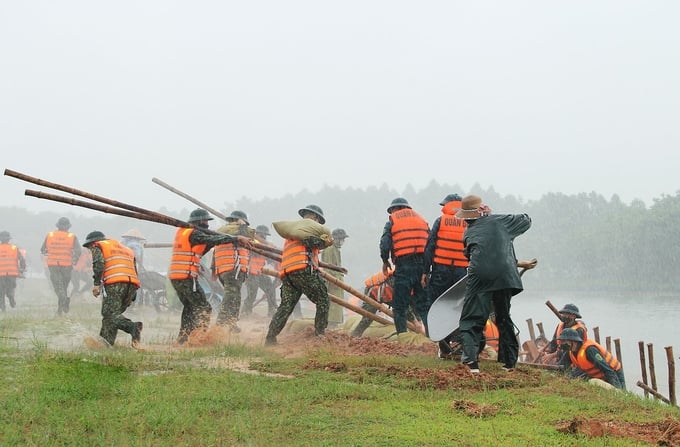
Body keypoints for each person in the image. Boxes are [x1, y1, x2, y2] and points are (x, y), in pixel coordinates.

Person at [456, 195, 534, 373]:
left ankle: (471, 362)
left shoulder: (468, 233)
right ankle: (509, 363)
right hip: (506, 276)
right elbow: (526, 220)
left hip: (480, 278)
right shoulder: (500, 221)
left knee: (471, 319)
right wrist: (491, 214)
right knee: (503, 317)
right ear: (482, 210)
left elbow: (469, 256)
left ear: (466, 217)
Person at [169, 208, 252, 345]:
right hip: (186, 277)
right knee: (204, 308)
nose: (207, 224)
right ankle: (198, 338)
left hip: (177, 276)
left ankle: (183, 339)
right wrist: (236, 238)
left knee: (190, 307)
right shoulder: (195, 233)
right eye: (206, 221)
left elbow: (205, 246)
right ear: (200, 221)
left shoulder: (184, 232)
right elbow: (213, 239)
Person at [265, 205, 333, 346]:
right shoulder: (308, 229)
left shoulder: (293, 231)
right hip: (303, 271)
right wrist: (324, 243)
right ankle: (320, 336)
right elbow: (311, 242)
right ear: (315, 217)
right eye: (319, 221)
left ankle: (270, 339)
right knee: (323, 300)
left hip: (288, 274)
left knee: (285, 307)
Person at [421, 193, 468, 358]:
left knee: (437, 306)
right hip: (462, 273)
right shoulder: (468, 223)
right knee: (459, 309)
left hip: (441, 270)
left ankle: (444, 347)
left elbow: (429, 248)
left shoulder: (440, 221)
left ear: (447, 205)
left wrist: (425, 272)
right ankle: (460, 342)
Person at [83, 231, 143, 348]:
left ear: (93, 242)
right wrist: (133, 294)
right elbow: (134, 270)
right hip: (131, 284)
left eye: (89, 247)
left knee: (109, 314)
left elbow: (99, 264)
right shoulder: (126, 249)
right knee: (112, 314)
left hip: (115, 282)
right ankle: (105, 343)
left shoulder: (98, 245)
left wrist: (96, 284)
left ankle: (132, 327)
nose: (90, 250)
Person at [380, 197, 430, 339]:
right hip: (422, 266)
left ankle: (402, 337)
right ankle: (433, 339)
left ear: (394, 209)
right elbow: (431, 243)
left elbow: (384, 244)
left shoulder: (392, 221)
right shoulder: (421, 220)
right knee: (424, 305)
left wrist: (385, 260)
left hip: (404, 265)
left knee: (399, 305)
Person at [213, 210, 252, 332]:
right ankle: (220, 324)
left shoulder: (222, 230)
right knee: (231, 297)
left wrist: (213, 270)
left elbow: (215, 251)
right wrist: (243, 225)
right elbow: (248, 236)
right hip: (234, 269)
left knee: (235, 296)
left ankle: (232, 324)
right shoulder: (238, 230)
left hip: (223, 270)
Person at [558, 327, 626, 390]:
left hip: (614, 373)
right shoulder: (571, 352)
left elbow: (608, 370)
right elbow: (566, 366)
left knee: (620, 392)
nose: (562, 344)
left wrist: (617, 388)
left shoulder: (590, 350)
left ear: (573, 341)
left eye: (564, 341)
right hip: (601, 376)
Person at [41, 217, 82, 316]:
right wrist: (75, 260)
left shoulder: (50, 235)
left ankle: (63, 302)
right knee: (63, 287)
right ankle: (60, 309)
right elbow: (78, 251)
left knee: (58, 287)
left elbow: (43, 249)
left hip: (53, 265)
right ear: (68, 227)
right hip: (67, 265)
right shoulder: (72, 237)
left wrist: (50, 252)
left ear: (57, 225)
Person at [242, 225, 279, 317]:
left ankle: (272, 312)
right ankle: (245, 313)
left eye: (265, 235)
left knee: (270, 290)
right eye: (262, 234)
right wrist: (267, 245)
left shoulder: (266, 246)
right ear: (257, 234)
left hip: (259, 273)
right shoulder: (252, 242)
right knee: (252, 294)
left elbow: (271, 260)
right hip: (250, 273)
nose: (264, 236)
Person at [322, 228, 349, 328]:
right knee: (333, 308)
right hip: (333, 283)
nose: (343, 242)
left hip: (336, 282)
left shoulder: (335, 249)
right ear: (336, 239)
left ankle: (333, 325)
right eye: (341, 239)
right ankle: (330, 326)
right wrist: (332, 280)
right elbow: (327, 267)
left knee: (336, 307)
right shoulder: (329, 249)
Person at [0, 231, 26, 311]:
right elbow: (22, 259)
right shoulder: (14, 248)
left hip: (1, 274)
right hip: (12, 273)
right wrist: (22, 269)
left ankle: (3, 307)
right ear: (9, 239)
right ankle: (11, 298)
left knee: (1, 292)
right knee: (10, 289)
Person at [120, 228, 147, 305]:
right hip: (131, 268)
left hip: (123, 267)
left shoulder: (123, 244)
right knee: (135, 286)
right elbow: (136, 257)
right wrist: (141, 266)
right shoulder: (135, 245)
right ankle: (133, 303)